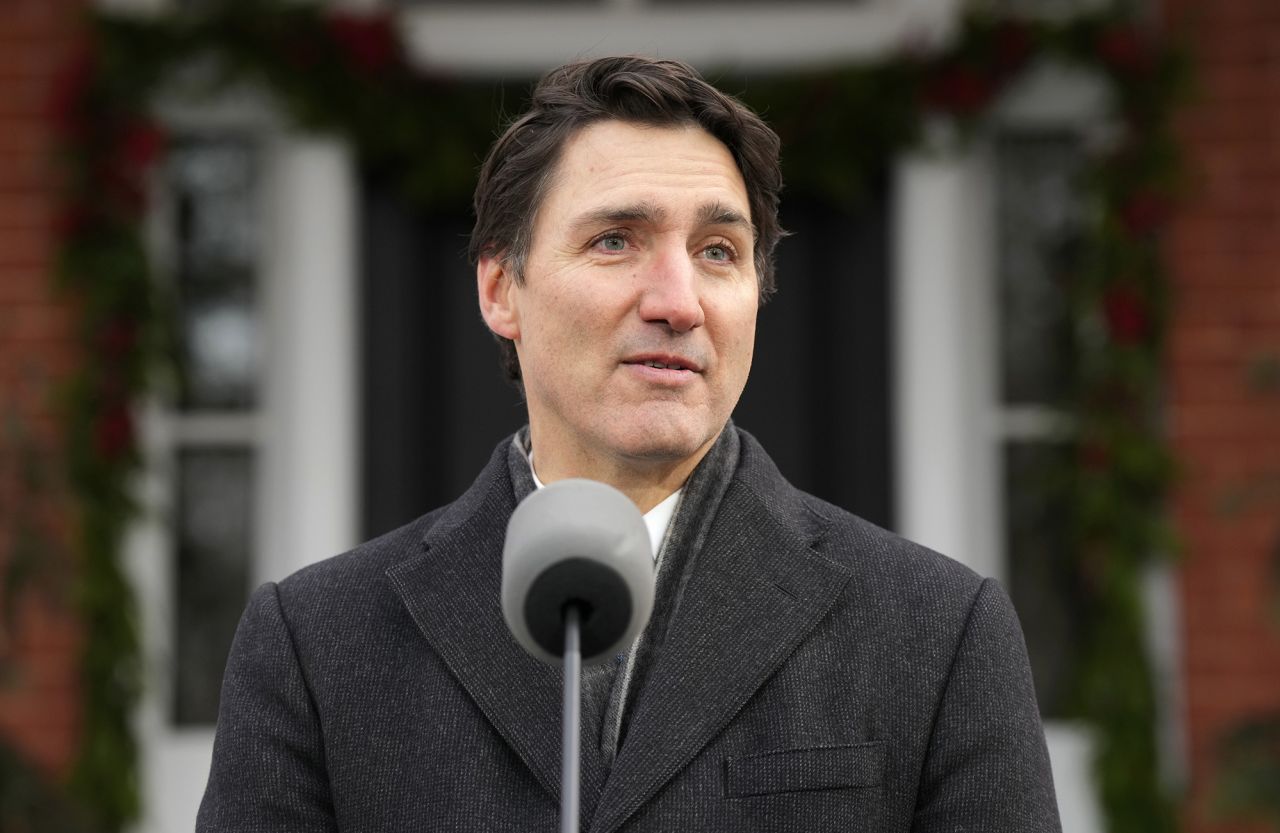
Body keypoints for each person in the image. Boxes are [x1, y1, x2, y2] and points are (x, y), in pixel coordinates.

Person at [197, 56, 1061, 833]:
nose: (677, 300)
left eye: (718, 250)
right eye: (616, 240)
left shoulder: (940, 633)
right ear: (502, 288)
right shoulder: (316, 645)